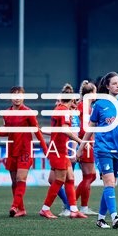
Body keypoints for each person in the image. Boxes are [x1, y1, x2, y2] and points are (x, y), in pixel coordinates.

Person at [77, 72, 118, 229]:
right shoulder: (99, 105)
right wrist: (80, 148)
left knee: (111, 184)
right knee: (109, 182)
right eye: (114, 83)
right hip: (102, 148)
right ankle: (114, 217)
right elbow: (90, 128)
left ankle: (100, 219)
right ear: (107, 86)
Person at [0, 86, 48, 217]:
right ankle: (22, 209)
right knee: (14, 181)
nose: (17, 98)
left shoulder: (29, 112)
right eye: (14, 95)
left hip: (25, 150)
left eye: (19, 95)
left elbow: (37, 131)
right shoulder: (7, 113)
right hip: (12, 149)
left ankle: (14, 206)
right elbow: (6, 132)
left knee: (20, 178)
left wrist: (46, 149)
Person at [39, 83, 87, 219]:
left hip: (60, 150)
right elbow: (65, 130)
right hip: (58, 151)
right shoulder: (64, 111)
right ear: (71, 100)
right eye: (75, 102)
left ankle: (73, 209)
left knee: (70, 178)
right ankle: (45, 208)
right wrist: (80, 141)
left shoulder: (58, 109)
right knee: (59, 180)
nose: (76, 105)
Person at [74, 80, 98, 215]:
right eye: (95, 92)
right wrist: (84, 144)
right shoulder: (84, 107)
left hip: (87, 142)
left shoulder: (84, 106)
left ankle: (83, 207)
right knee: (91, 176)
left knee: (88, 176)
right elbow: (83, 128)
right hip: (86, 143)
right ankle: (71, 204)